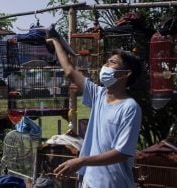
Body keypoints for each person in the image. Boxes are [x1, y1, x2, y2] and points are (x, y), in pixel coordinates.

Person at [46, 37, 142, 188]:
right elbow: (70, 71)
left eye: (113, 63)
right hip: (89, 182)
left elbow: (122, 153)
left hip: (114, 184)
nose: (106, 66)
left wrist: (81, 161)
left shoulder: (130, 108)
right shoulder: (98, 94)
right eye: (107, 62)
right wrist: (57, 43)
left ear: (126, 74)